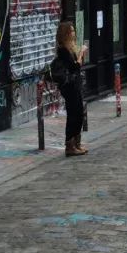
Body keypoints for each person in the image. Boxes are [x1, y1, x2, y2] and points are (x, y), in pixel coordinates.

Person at [52, 22, 88, 158]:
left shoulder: (70, 48)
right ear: (66, 34)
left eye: (73, 30)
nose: (74, 33)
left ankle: (76, 143)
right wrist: (81, 53)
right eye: (71, 31)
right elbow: (74, 67)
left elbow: (77, 66)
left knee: (79, 113)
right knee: (74, 114)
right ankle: (70, 146)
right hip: (69, 87)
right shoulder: (63, 50)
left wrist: (79, 54)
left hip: (75, 85)